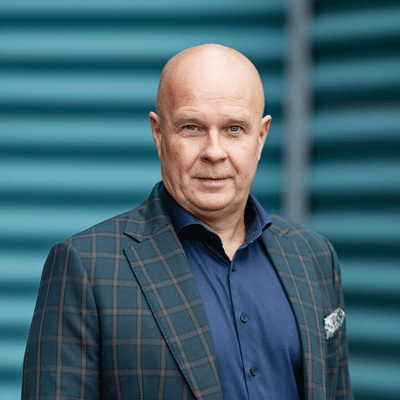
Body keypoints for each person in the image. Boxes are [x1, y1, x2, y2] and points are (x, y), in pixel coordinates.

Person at [22, 44, 353, 400]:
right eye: (192, 127)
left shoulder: (314, 256)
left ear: (261, 137)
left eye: (234, 128)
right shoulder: (86, 268)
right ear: (158, 133)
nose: (214, 152)